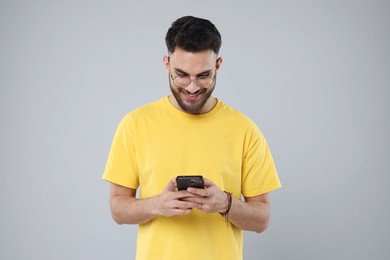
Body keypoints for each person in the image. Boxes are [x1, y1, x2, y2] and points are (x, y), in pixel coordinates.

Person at [102, 16, 281, 260]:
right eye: (182, 75)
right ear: (166, 64)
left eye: (204, 75)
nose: (193, 87)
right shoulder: (134, 124)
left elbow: (262, 220)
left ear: (218, 65)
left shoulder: (245, 130)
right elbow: (117, 209)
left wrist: (225, 204)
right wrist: (158, 204)